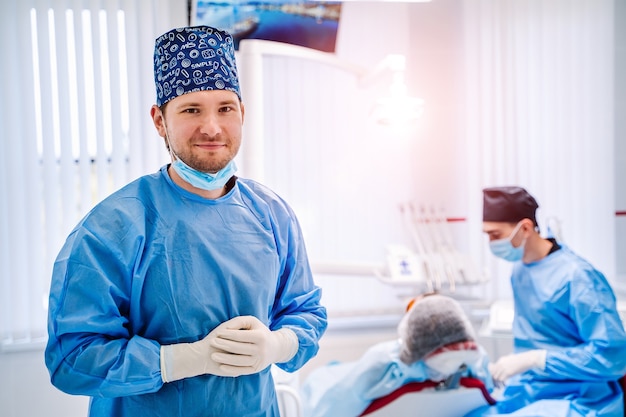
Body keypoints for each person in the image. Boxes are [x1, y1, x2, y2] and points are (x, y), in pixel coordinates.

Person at [44, 25, 327, 417]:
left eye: (225, 108)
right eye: (192, 109)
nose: (211, 127)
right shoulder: (113, 227)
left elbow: (305, 312)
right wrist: (182, 361)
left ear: (242, 114)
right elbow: (71, 357)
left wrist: (279, 345)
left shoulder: (273, 215)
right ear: (160, 121)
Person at [468, 186, 626, 417]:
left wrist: (538, 359)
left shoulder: (577, 277)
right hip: (532, 390)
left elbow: (613, 358)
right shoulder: (520, 270)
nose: (491, 243)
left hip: (581, 399)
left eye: (495, 235)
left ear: (525, 228)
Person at [300, 293, 493, 417]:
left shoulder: (385, 361)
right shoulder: (474, 361)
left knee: (320, 376)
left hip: (334, 381)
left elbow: (334, 403)